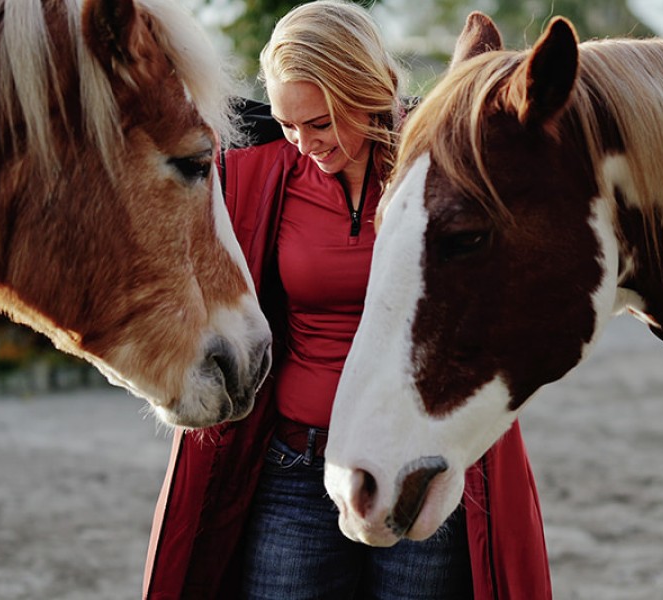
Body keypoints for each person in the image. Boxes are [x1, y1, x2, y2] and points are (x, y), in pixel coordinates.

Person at [141, 2, 551, 598]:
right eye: (288, 124)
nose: (305, 143)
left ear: (365, 89)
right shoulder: (261, 168)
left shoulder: (443, 168)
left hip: (418, 463)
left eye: (321, 123)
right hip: (296, 467)